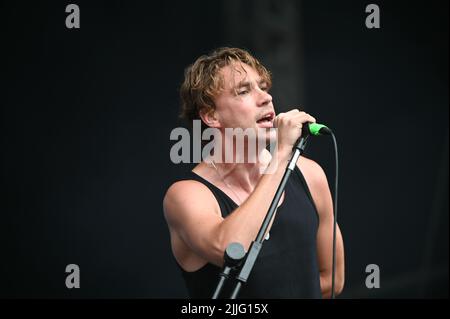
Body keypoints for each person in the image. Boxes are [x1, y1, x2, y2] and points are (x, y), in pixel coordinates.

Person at [163, 47, 345, 298]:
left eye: (263, 87)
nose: (266, 98)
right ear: (211, 115)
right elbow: (230, 250)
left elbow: (332, 278)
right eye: (244, 91)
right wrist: (281, 154)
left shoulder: (310, 175)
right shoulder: (186, 196)